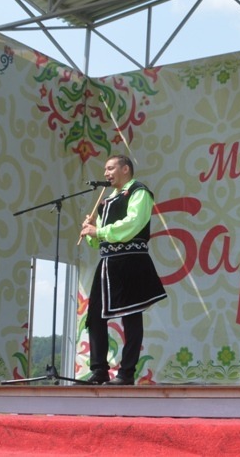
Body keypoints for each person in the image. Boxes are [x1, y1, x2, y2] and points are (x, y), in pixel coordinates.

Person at [78, 154, 167, 385]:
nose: (106, 173)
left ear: (125, 169)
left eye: (110, 168)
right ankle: (99, 370)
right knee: (95, 316)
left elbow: (133, 224)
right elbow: (98, 242)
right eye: (105, 170)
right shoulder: (107, 200)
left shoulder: (139, 192)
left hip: (130, 261)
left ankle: (126, 373)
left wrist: (99, 231)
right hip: (108, 263)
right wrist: (91, 231)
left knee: (131, 316)